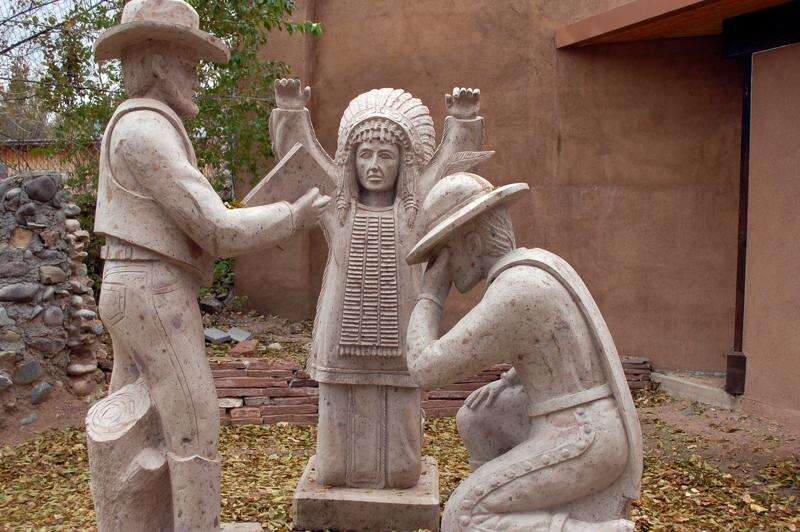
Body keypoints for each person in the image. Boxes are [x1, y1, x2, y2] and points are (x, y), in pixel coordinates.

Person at [91, 1, 329, 528]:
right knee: (194, 424)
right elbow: (217, 230)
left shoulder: (142, 125)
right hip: (151, 290)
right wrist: (294, 215)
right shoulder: (144, 132)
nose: (197, 79)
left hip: (138, 285)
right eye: (189, 65)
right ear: (157, 64)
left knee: (141, 418)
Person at [265, 80, 488, 488]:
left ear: (404, 163)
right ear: (350, 161)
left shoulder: (415, 210)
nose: (374, 165)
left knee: (401, 470)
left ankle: (395, 469)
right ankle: (341, 465)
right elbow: (300, 158)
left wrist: (463, 120)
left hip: (400, 330)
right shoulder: (336, 206)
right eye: (364, 154)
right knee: (334, 463)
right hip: (341, 331)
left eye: (386, 156)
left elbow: (452, 169)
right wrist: (291, 111)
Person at [405, 172, 642, 531]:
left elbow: (424, 369)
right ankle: (505, 504)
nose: (441, 268)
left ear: (472, 243)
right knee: (476, 418)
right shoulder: (536, 265)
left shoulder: (513, 292)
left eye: (443, 254)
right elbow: (555, 344)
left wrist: (430, 295)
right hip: (584, 421)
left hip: (583, 437)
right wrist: (509, 381)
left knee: (464, 516)